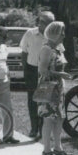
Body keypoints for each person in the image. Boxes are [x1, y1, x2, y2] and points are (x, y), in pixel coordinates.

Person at [37, 21, 76, 155]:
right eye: (61, 33)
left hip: (58, 87)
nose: (63, 36)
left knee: (59, 118)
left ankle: (58, 147)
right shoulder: (46, 49)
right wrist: (61, 75)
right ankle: (46, 150)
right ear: (54, 34)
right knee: (48, 119)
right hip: (47, 87)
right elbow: (42, 70)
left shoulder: (58, 49)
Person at [19, 11, 55, 140]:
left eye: (51, 23)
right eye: (47, 23)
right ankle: (34, 128)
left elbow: (60, 51)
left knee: (45, 101)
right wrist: (26, 69)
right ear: (41, 23)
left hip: (46, 71)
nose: (50, 26)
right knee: (33, 100)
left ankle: (43, 129)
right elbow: (24, 52)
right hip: (32, 70)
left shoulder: (53, 36)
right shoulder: (30, 33)